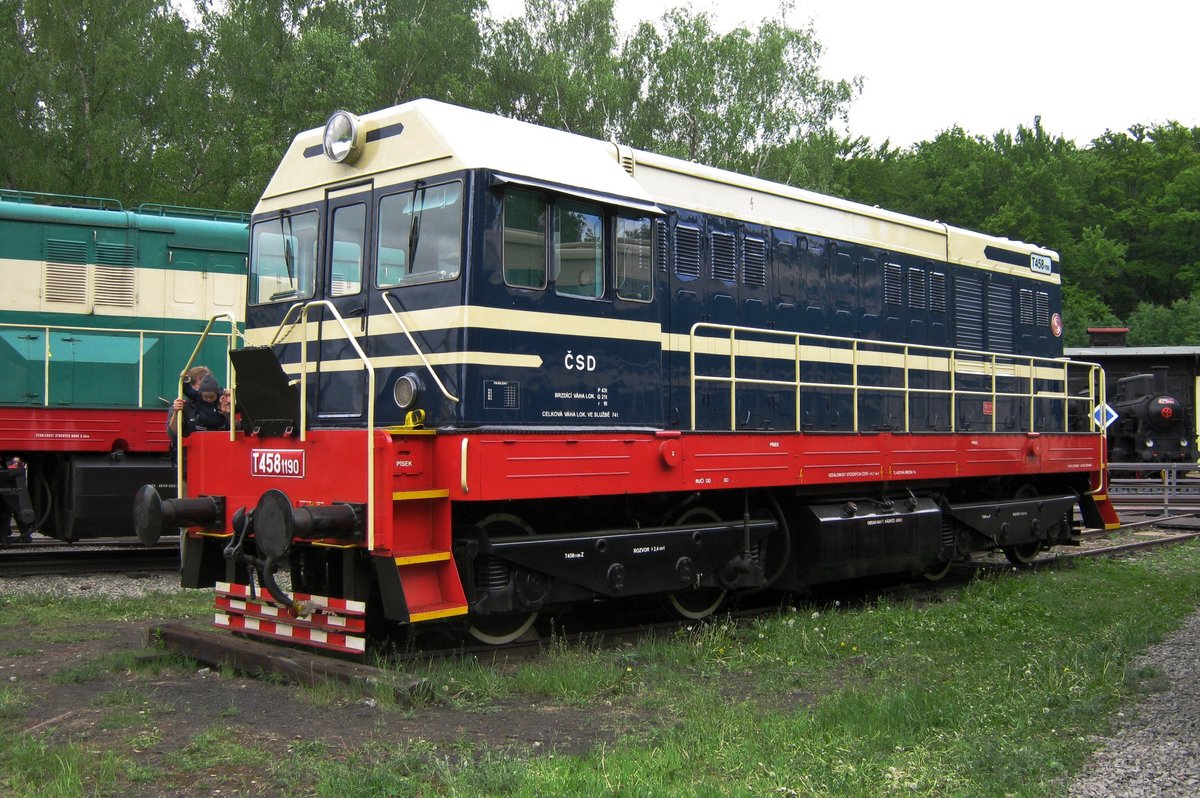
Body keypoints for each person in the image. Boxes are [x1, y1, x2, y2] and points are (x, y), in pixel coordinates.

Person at [168, 370, 231, 439]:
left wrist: (229, 394)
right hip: (198, 434)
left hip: (219, 433)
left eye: (212, 397)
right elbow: (173, 435)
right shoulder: (189, 401)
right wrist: (185, 379)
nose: (209, 399)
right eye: (206, 397)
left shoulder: (222, 400)